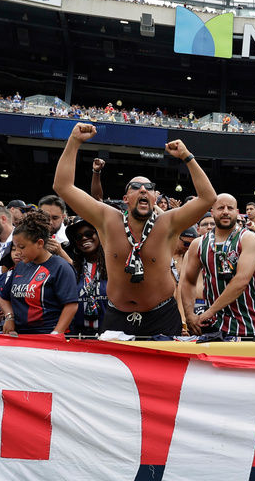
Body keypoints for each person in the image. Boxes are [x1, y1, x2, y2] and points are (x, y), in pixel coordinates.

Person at [52, 123, 217, 336]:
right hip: (116, 315)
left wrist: (187, 157)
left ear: (154, 197)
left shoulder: (168, 223)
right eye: (135, 187)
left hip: (162, 317)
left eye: (149, 188)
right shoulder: (107, 220)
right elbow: (62, 186)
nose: (143, 190)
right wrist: (74, 141)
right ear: (125, 199)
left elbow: (208, 198)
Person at [180, 193, 255, 338]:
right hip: (214, 326)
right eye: (221, 208)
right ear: (212, 211)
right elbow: (188, 281)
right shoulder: (198, 244)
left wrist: (209, 312)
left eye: (230, 208)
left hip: (250, 325)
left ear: (237, 211)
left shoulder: (249, 239)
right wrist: (189, 315)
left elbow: (241, 282)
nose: (226, 211)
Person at [0, 210, 79, 335]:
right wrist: (10, 317)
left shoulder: (61, 267)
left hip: (48, 336)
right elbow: (3, 298)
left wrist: (56, 334)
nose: (17, 252)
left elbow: (71, 305)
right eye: (15, 247)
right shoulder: (20, 267)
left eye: (22, 247)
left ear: (40, 243)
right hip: (21, 337)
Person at [67, 218, 108, 335]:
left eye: (89, 233)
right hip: (79, 336)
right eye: (78, 237)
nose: (84, 238)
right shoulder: (73, 270)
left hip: (109, 336)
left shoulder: (113, 266)